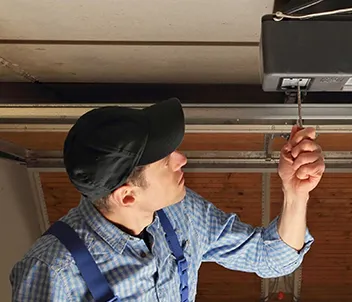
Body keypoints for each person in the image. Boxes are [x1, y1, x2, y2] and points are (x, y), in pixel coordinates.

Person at [10, 98, 325, 301]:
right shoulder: (53, 271)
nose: (182, 159)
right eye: (165, 160)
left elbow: (272, 258)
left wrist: (296, 193)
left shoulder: (180, 214)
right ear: (128, 196)